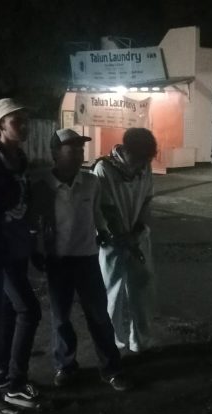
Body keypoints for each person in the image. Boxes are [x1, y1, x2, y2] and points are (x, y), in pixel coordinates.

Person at [29, 128, 130, 391]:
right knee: (61, 317)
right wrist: (36, 250)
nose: (77, 153)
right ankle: (65, 366)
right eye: (71, 148)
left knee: (98, 316)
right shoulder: (42, 184)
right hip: (57, 260)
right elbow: (35, 222)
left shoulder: (91, 182)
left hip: (87, 258)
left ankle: (111, 368)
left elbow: (96, 212)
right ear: (55, 153)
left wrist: (104, 231)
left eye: (80, 148)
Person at [0, 98, 43, 410]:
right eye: (16, 121)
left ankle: (2, 373)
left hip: (18, 246)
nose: (25, 126)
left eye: (25, 120)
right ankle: (15, 383)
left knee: (8, 311)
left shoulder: (20, 158)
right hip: (0, 250)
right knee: (29, 310)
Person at [93, 128, 157, 353]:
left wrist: (137, 233)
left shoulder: (144, 166)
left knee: (142, 289)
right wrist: (124, 237)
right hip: (113, 241)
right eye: (140, 160)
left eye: (146, 161)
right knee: (113, 291)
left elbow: (147, 202)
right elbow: (106, 210)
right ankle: (113, 343)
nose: (143, 167)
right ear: (127, 152)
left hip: (138, 237)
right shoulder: (104, 168)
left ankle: (141, 341)